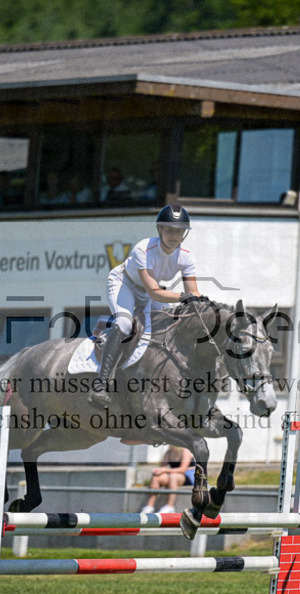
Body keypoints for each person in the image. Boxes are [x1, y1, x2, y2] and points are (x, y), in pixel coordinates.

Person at [87, 204, 201, 408]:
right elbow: (154, 293)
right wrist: (184, 297)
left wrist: (203, 304)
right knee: (124, 324)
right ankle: (101, 385)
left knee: (165, 325)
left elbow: (193, 293)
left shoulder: (187, 257)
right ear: (160, 230)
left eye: (179, 231)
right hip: (125, 284)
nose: (174, 235)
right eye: (169, 230)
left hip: (154, 290)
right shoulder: (143, 248)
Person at [140, 446, 195, 514]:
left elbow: (182, 469)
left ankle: (170, 506)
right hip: (173, 474)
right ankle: (149, 506)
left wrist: (164, 470)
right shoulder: (168, 452)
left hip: (187, 476)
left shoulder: (185, 451)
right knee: (156, 477)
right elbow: (163, 467)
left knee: (173, 477)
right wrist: (158, 471)